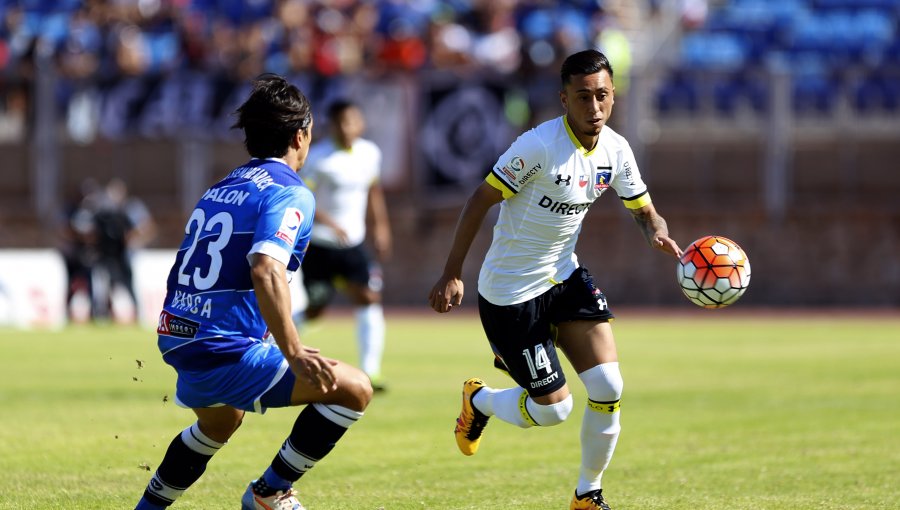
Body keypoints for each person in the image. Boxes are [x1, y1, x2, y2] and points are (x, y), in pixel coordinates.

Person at [428, 49, 682, 510]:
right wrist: (451, 273)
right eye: (583, 97)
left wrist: (657, 231)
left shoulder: (617, 150)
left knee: (609, 388)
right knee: (555, 411)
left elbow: (644, 211)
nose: (595, 107)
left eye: (602, 96)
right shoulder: (538, 147)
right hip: (510, 293)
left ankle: (588, 493)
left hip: (563, 277)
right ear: (564, 100)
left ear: (613, 96)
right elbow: (478, 200)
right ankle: (481, 401)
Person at [134, 74, 373, 510]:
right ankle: (269, 492)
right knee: (355, 389)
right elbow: (265, 269)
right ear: (301, 135)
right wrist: (294, 350)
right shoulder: (289, 192)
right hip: (220, 345)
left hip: (178, 334)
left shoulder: (222, 186)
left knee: (221, 420)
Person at [298, 99, 392, 391]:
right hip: (321, 246)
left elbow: (374, 191)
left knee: (368, 298)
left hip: (353, 244)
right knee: (315, 310)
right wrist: (329, 222)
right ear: (331, 124)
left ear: (360, 123)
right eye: (340, 122)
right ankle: (273, 345)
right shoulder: (319, 158)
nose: (346, 127)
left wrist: (381, 227)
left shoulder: (369, 153)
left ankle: (371, 371)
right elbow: (304, 197)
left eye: (351, 121)